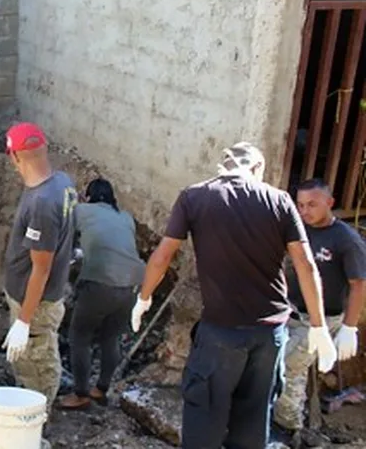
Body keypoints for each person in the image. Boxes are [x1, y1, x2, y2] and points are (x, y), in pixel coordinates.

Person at [131, 142, 338, 448]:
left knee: (204, 424)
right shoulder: (279, 200)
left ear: (223, 167)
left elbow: (162, 257)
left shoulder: (195, 196)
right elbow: (306, 265)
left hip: (221, 334)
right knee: (253, 425)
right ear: (257, 169)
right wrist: (320, 327)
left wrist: (143, 298)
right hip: (269, 337)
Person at [273, 178, 366, 444]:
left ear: (330, 203)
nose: (304, 211)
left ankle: (288, 427)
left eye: (312, 204)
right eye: (300, 205)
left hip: (324, 321)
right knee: (282, 365)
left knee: (289, 367)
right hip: (291, 312)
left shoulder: (346, 239)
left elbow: (359, 284)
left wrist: (349, 327)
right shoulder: (298, 229)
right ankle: (285, 417)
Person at [1, 122, 76, 407]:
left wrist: (23, 321)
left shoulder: (42, 202)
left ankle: (37, 414)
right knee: (28, 357)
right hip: (31, 298)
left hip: (37, 303)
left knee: (38, 360)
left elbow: (41, 269)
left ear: (15, 157)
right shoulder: (62, 182)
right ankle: (25, 395)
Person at [57, 178, 145, 410]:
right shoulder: (125, 217)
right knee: (110, 337)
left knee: (80, 337)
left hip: (100, 283)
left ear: (88, 196)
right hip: (131, 286)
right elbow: (115, 245)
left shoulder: (81, 211)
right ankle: (101, 389)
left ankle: (80, 394)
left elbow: (62, 233)